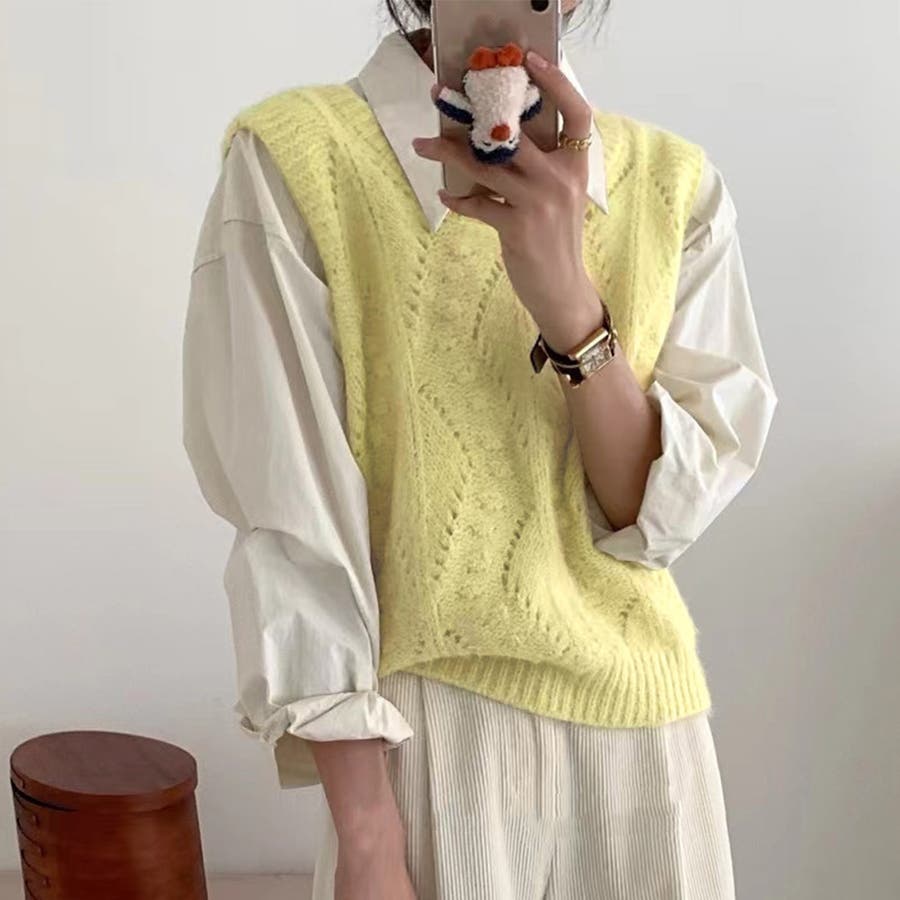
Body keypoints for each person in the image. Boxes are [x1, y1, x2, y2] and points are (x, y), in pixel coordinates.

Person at [181, 1, 777, 897]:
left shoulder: (674, 186)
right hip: (430, 750)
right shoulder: (300, 159)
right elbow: (290, 519)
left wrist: (567, 296)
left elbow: (648, 521)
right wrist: (368, 836)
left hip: (648, 755)